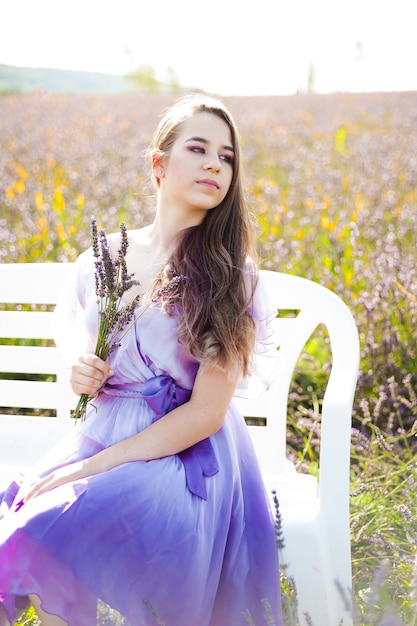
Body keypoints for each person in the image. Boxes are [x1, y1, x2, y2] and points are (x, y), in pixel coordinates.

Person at [0, 94, 283, 626]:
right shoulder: (102, 259)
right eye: (198, 148)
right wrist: (78, 364)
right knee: (20, 524)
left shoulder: (230, 277)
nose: (213, 165)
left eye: (226, 157)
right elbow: (70, 328)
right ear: (158, 163)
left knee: (50, 524)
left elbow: (205, 415)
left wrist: (90, 470)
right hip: (102, 435)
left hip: (184, 457)